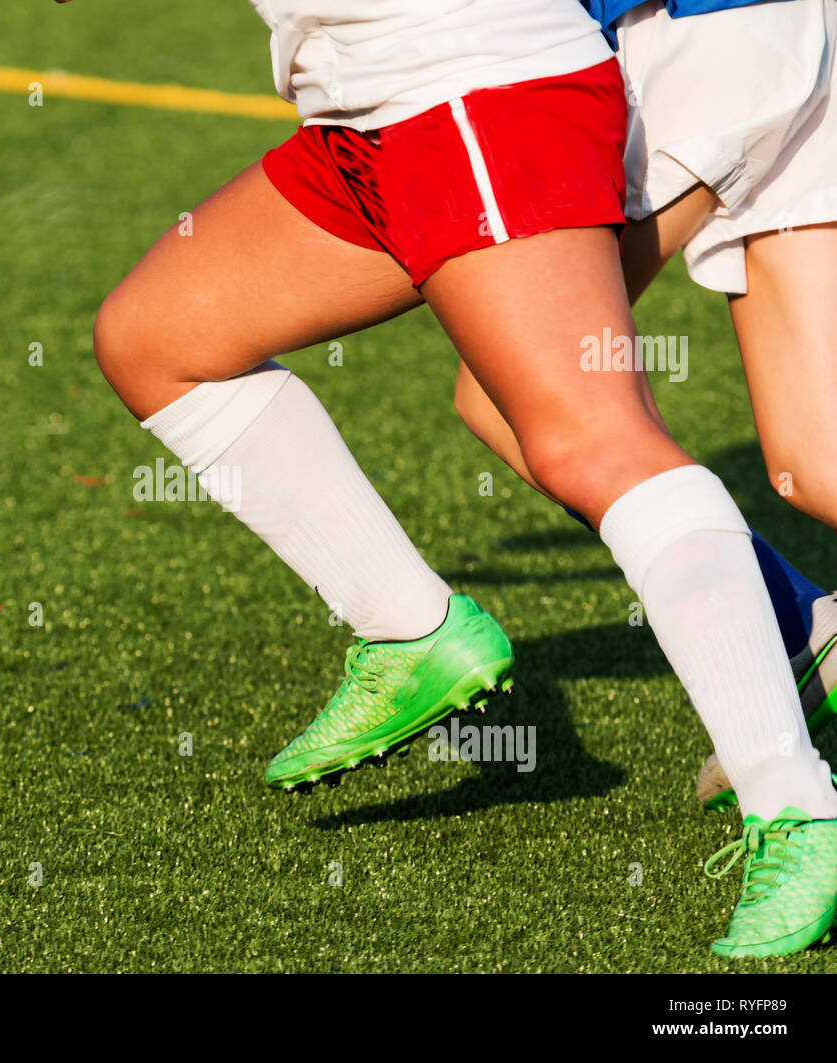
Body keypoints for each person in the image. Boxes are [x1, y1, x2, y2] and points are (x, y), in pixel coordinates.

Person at [77, 0, 837, 957]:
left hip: (476, 80)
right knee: (157, 338)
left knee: (586, 433)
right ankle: (412, 631)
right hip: (372, 103)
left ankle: (796, 803)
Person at [451, 0, 837, 812]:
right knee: (817, 459)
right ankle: (809, 629)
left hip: (702, 44)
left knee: (506, 388)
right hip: (783, 30)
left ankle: (803, 628)